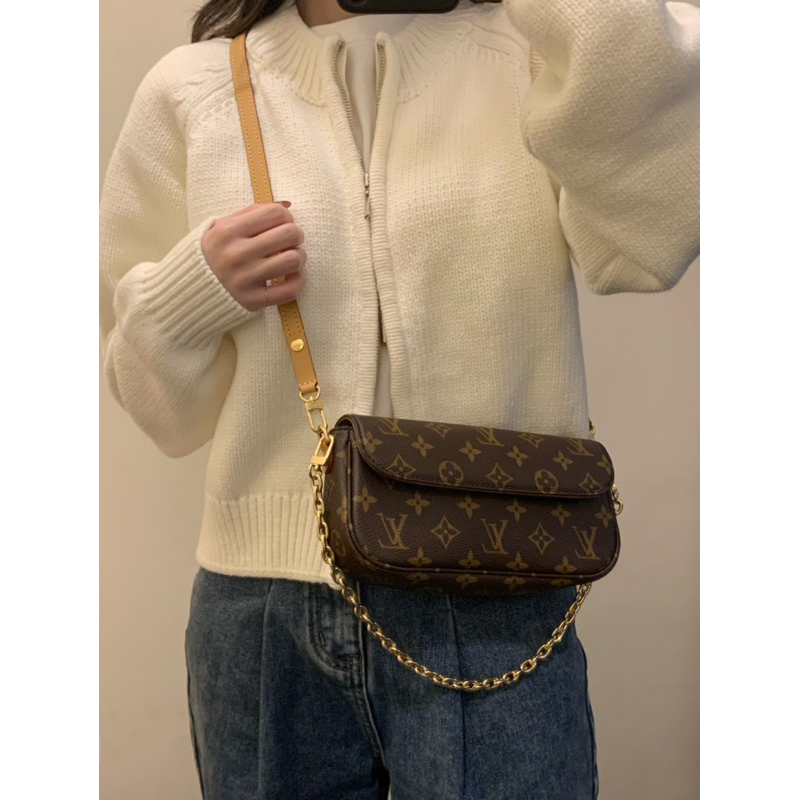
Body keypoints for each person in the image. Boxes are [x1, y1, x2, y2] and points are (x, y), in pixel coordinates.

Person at [99, 0, 699, 796]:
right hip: (264, 613)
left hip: (496, 584)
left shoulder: (532, 58)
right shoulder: (194, 90)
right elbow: (163, 414)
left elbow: (652, 240)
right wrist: (191, 291)